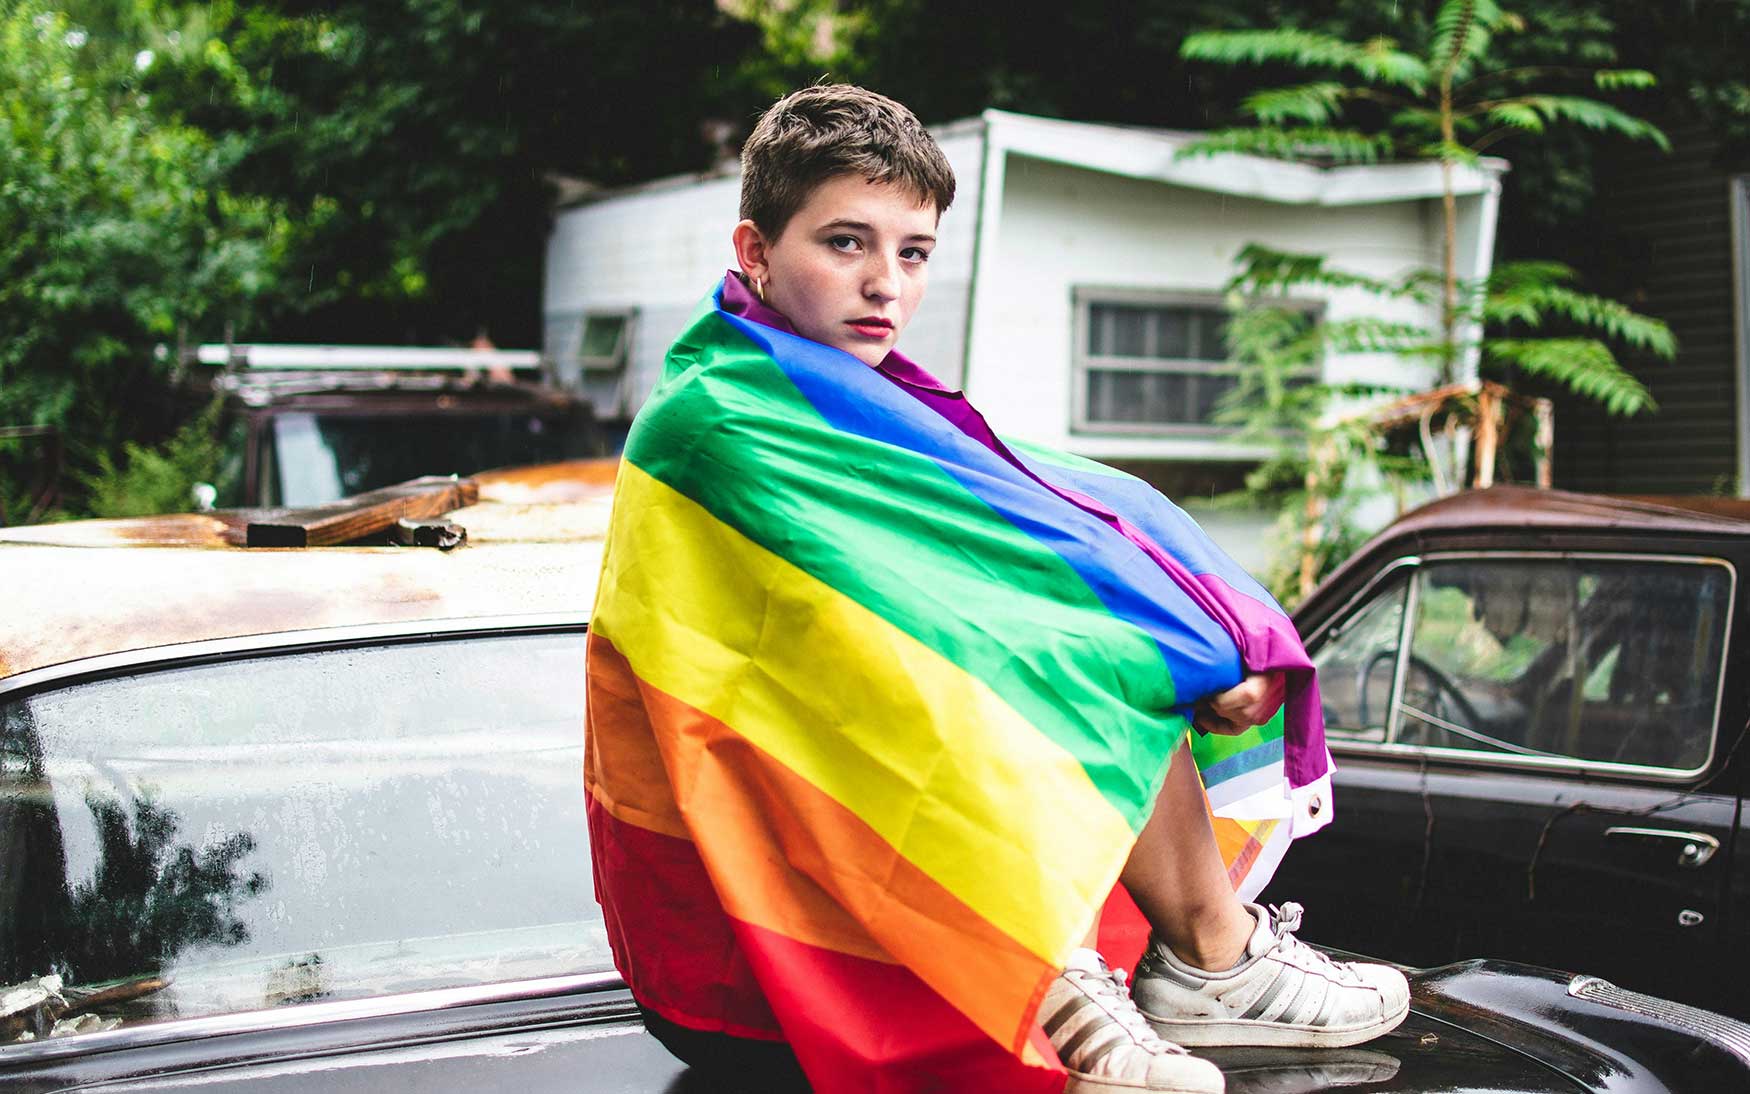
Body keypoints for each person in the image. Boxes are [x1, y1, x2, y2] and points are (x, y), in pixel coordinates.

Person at [586, 85, 1409, 1094]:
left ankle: (1209, 955)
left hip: (863, 894)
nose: (885, 283)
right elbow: (924, 635)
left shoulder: (866, 400)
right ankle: (1042, 963)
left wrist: (1209, 633)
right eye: (846, 243)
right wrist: (1173, 650)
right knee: (1003, 662)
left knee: (1094, 644)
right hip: (744, 971)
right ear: (753, 250)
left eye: (913, 252)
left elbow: (1061, 512)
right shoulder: (713, 418)